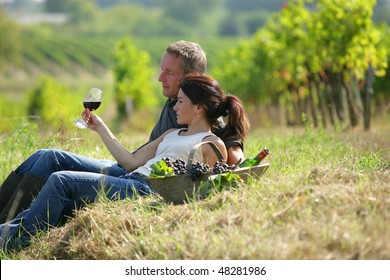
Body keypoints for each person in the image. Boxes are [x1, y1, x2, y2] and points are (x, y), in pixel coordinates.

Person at [0, 40, 244, 224]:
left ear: (192, 78)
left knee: (58, 175)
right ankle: (5, 215)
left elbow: (228, 150)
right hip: (131, 167)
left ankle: (16, 227)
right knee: (47, 155)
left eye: (169, 72)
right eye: (162, 69)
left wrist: (236, 158)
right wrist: (101, 127)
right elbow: (132, 160)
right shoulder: (176, 102)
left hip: (139, 177)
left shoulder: (199, 110)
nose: (160, 77)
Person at [0, 75, 250, 251]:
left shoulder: (210, 142)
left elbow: (214, 182)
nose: (175, 105)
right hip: (129, 179)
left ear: (199, 108)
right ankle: (7, 228)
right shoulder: (172, 134)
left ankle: (16, 241)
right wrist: (101, 128)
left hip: (147, 189)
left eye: (181, 101)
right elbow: (130, 162)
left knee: (61, 180)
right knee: (53, 161)